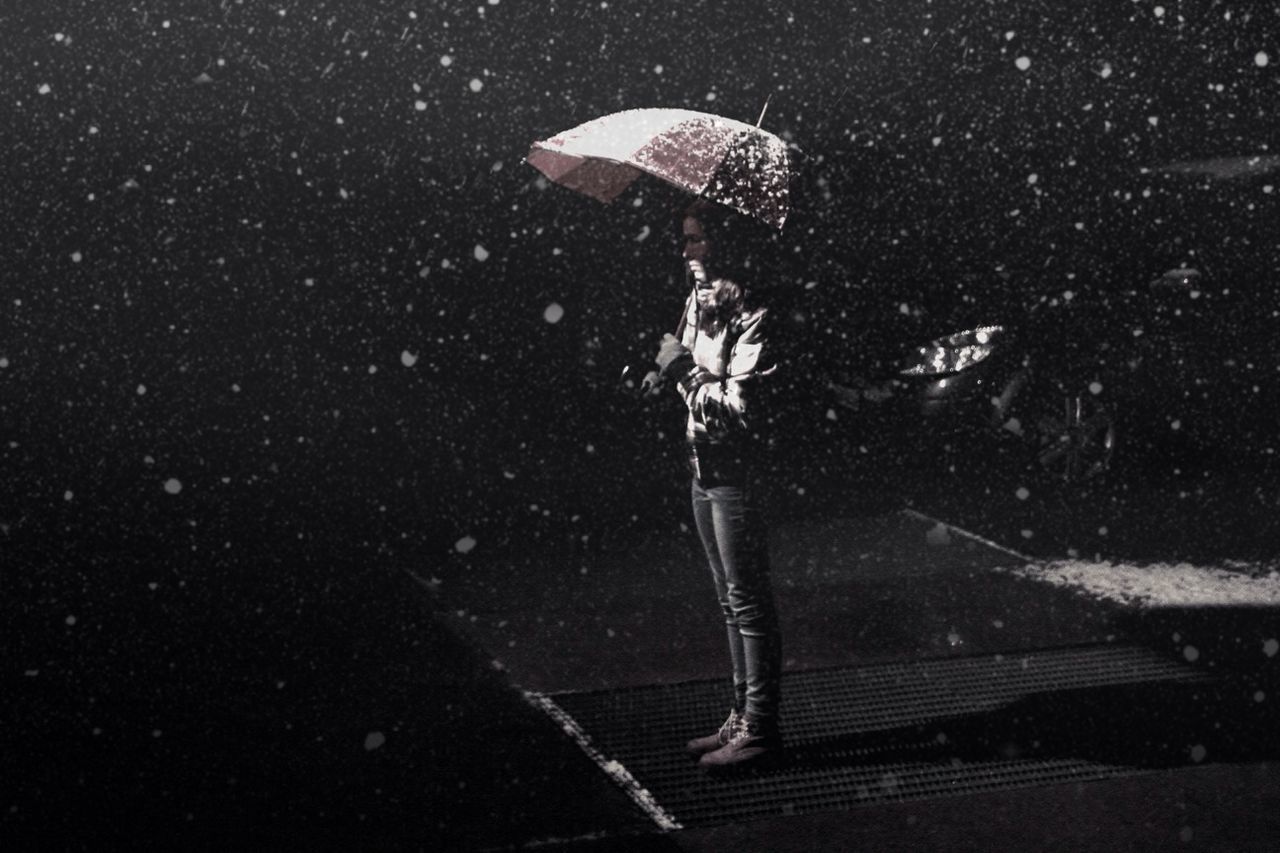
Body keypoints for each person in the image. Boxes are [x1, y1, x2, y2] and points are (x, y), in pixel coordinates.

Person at [648, 199, 786, 771]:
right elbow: (685, 364)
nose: (688, 252)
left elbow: (740, 409)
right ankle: (738, 717)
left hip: (737, 474)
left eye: (699, 239)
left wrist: (681, 370)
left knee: (749, 604)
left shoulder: (754, 311)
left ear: (728, 244)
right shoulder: (698, 303)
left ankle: (760, 729)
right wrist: (662, 371)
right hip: (702, 465)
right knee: (731, 602)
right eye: (685, 239)